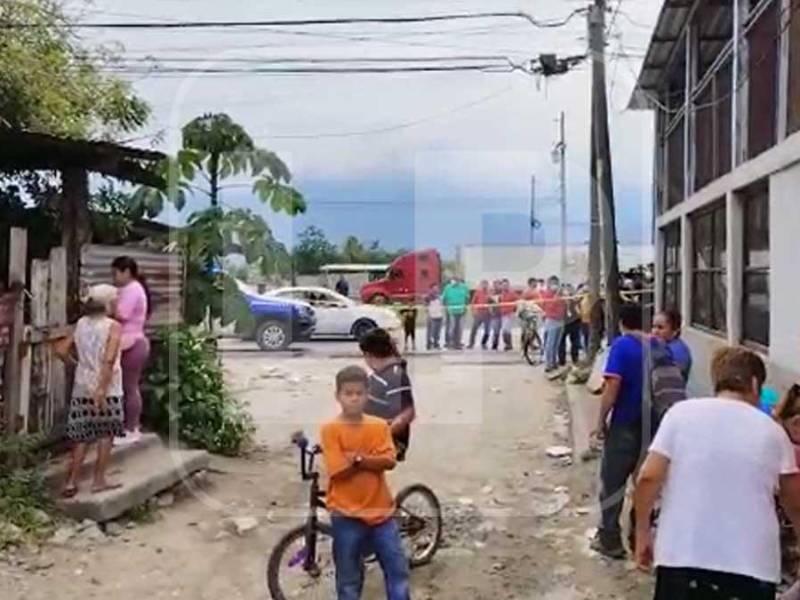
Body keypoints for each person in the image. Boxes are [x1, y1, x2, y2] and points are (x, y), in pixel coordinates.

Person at [634, 347, 800, 600]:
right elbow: (794, 502)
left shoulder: (680, 414)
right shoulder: (773, 432)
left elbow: (648, 477)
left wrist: (643, 532)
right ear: (755, 383)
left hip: (682, 558)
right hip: (750, 567)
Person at [320, 366, 410, 600]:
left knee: (397, 574)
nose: (354, 398)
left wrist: (358, 458)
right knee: (349, 581)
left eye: (359, 393)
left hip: (381, 513)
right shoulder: (330, 429)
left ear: (367, 394)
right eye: (348, 393)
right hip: (346, 515)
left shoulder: (378, 426)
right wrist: (372, 459)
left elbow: (389, 461)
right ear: (337, 396)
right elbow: (336, 471)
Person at [55, 284, 125, 497]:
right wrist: (102, 390)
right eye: (114, 300)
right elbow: (109, 360)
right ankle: (99, 481)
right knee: (106, 434)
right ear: (107, 304)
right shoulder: (113, 326)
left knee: (82, 436)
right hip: (108, 389)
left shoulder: (81, 324)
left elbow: (60, 350)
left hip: (82, 386)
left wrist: (76, 365)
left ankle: (71, 482)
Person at [590, 303, 648, 559]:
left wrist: (600, 420)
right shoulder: (657, 346)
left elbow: (612, 386)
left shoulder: (622, 346)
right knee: (645, 484)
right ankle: (639, 539)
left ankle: (610, 540)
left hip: (625, 422)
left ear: (622, 322)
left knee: (613, 482)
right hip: (654, 425)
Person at [359, 328, 416, 461]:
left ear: (368, 354)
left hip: (384, 441)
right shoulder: (382, 373)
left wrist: (382, 435)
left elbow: (408, 412)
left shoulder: (394, 375)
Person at [111, 256, 151, 445]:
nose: (114, 277)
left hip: (132, 343)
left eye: (116, 273)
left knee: (129, 387)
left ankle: (131, 428)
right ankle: (129, 426)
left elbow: (122, 314)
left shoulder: (132, 289)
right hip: (132, 342)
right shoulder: (131, 289)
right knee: (127, 387)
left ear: (126, 272)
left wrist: (105, 307)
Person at [652, 308, 692, 382]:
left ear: (674, 331)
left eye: (660, 328)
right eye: (654, 326)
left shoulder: (678, 351)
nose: (655, 331)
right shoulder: (661, 346)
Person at [537, 276, 566, 371]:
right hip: (551, 320)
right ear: (548, 284)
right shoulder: (546, 295)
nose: (554, 285)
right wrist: (556, 297)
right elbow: (548, 306)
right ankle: (548, 364)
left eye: (556, 283)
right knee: (550, 343)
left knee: (556, 344)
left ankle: (554, 362)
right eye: (552, 283)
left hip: (561, 320)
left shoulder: (562, 294)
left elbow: (565, 305)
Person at [441, 276, 470, 350]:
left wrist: (465, 307)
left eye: (455, 281)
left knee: (460, 328)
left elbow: (467, 298)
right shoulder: (447, 287)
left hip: (461, 310)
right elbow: (443, 298)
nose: (453, 282)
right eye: (452, 281)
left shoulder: (464, 287)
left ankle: (458, 343)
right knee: (452, 327)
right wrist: (446, 308)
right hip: (451, 310)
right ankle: (451, 342)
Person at [558, 283, 582, 366]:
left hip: (574, 321)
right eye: (565, 290)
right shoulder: (559, 300)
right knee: (561, 342)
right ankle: (562, 360)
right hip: (563, 322)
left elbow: (578, 308)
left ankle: (575, 359)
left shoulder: (574, 299)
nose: (567, 292)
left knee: (575, 342)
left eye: (569, 290)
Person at [467, 280, 491, 350]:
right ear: (481, 285)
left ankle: (484, 343)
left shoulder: (490, 293)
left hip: (487, 314)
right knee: (474, 329)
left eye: (486, 284)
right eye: (483, 284)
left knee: (487, 330)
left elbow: (493, 302)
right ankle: (471, 343)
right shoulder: (477, 292)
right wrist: (473, 312)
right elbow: (473, 303)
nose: (484, 286)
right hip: (479, 313)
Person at [498, 279, 519, 351]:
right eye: (503, 285)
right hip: (502, 314)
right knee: (507, 330)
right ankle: (509, 344)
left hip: (509, 314)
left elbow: (518, 302)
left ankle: (508, 344)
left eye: (506, 285)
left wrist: (514, 311)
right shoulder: (501, 294)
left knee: (505, 329)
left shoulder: (512, 293)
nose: (505, 287)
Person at [425, 285, 444, 350]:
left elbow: (442, 305)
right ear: (431, 289)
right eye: (434, 289)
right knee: (430, 331)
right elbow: (425, 305)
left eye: (437, 288)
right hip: (431, 317)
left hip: (439, 316)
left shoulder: (440, 297)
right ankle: (429, 344)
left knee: (437, 332)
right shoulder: (428, 297)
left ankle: (436, 343)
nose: (436, 290)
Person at [487, 280, 503, 351]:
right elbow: (489, 304)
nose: (496, 286)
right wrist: (491, 311)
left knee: (506, 330)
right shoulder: (491, 294)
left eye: (497, 284)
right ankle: (495, 344)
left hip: (503, 314)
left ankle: (508, 343)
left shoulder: (503, 293)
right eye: (494, 285)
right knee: (495, 330)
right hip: (495, 315)